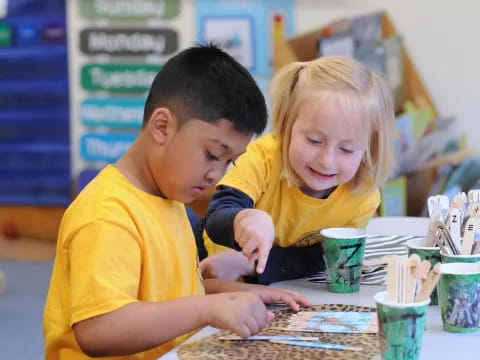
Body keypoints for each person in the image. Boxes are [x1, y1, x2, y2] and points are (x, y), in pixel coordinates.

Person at [43, 44, 311, 360]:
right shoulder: (107, 213)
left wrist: (243, 295)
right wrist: (208, 309)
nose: (216, 175)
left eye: (229, 162)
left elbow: (176, 298)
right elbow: (100, 329)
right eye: (212, 154)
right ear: (162, 126)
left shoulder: (170, 198)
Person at [196, 55, 396, 284]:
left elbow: (317, 259)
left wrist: (246, 264)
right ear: (286, 126)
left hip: (271, 285)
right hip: (206, 272)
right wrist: (244, 218)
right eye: (314, 140)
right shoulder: (263, 158)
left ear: (369, 148)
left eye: (346, 149)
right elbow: (217, 216)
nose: (326, 161)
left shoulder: (363, 197)